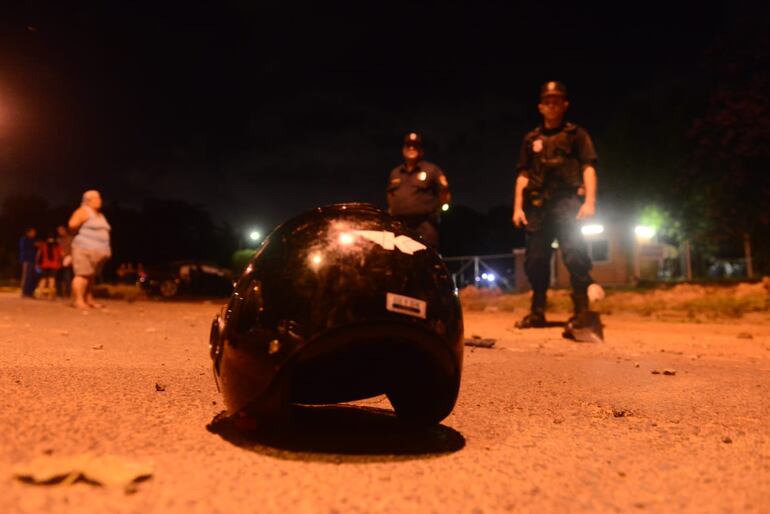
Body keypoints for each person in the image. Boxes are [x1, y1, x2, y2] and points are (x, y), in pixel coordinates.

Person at [511, 81, 603, 341]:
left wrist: (590, 201)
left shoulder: (577, 135)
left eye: (557, 101)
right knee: (535, 259)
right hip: (538, 207)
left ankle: (582, 312)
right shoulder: (531, 139)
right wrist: (517, 207)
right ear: (540, 107)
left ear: (565, 105)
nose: (552, 105)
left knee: (575, 255)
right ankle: (537, 311)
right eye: (547, 101)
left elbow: (588, 168)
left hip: (568, 204)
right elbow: (523, 175)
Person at [386, 132, 451, 249]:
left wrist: (436, 211)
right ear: (403, 150)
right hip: (400, 227)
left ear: (421, 150)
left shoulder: (432, 170)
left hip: (424, 227)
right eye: (408, 145)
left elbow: (444, 192)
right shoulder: (395, 173)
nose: (411, 148)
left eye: (415, 146)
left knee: (425, 257)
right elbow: (390, 194)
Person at [68, 190, 112, 309]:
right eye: (96, 198)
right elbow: (72, 225)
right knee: (81, 275)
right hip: (84, 249)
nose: (99, 201)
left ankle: (89, 300)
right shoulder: (83, 211)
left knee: (90, 276)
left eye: (99, 198)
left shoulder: (99, 214)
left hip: (98, 251)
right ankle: (78, 301)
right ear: (87, 200)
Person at [35, 233, 62, 300]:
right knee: (52, 280)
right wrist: (60, 263)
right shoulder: (57, 246)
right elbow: (61, 255)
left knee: (43, 279)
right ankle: (50, 296)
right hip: (54, 265)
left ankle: (39, 295)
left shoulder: (43, 245)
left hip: (44, 265)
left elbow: (38, 255)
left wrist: (37, 264)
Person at [19, 227, 38, 298]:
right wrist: (33, 244)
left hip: (33, 260)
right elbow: (23, 248)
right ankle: (24, 292)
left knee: (32, 276)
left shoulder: (34, 240)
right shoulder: (24, 239)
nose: (34, 233)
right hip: (26, 260)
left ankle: (30, 292)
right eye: (32, 232)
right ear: (28, 232)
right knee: (26, 276)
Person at [55, 225, 74, 299]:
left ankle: (68, 294)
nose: (60, 232)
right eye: (58, 231)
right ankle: (59, 294)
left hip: (67, 260)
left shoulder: (71, 239)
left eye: (61, 230)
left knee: (67, 277)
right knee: (58, 278)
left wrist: (71, 257)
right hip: (58, 261)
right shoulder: (58, 240)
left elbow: (74, 249)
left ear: (65, 230)